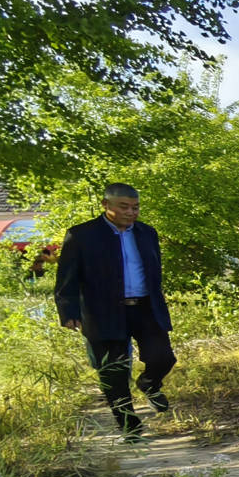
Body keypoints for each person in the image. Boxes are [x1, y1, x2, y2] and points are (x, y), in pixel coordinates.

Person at [53, 183, 175, 440]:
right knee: (114, 371)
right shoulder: (82, 235)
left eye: (135, 207)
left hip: (145, 308)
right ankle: (129, 427)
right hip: (103, 311)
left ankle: (149, 383)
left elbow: (155, 272)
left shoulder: (146, 233)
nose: (131, 212)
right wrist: (68, 311)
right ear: (106, 205)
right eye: (124, 207)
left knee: (163, 357)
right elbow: (67, 277)